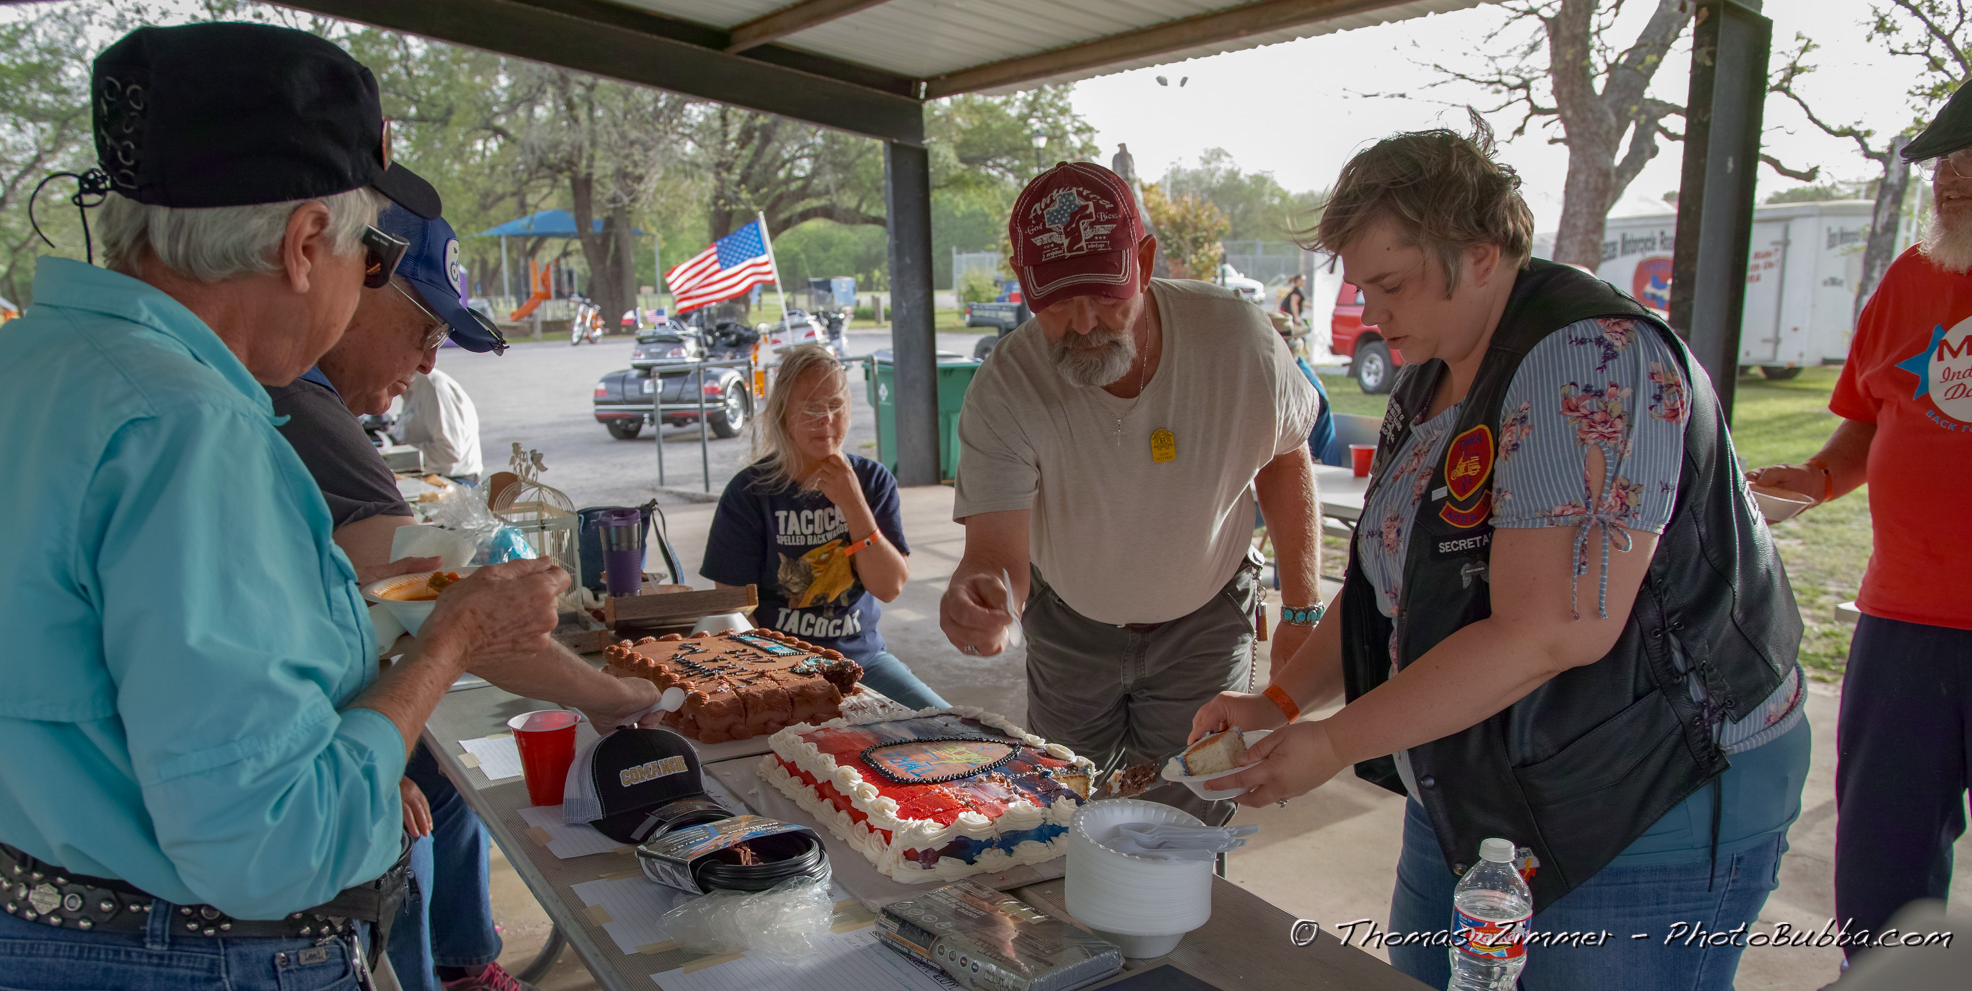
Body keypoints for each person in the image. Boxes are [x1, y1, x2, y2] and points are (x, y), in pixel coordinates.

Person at [0, 23, 567, 987]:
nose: (364, 282)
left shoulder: (31, 363)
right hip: (192, 952)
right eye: (371, 256)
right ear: (306, 244)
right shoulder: (189, 429)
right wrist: (450, 643)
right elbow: (275, 839)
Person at [1190, 126, 1807, 990]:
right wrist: (1280, 701)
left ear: (1481, 254)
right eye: (1364, 288)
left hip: (1644, 797)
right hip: (1480, 789)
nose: (1374, 314)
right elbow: (1384, 582)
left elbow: (1551, 630)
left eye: (1392, 285)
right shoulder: (1437, 365)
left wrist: (1332, 741)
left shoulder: (1595, 358)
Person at [266, 203, 658, 991]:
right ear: (348, 274)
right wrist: (612, 695)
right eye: (424, 330)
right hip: (258, 873)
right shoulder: (300, 407)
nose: (428, 361)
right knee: (408, 803)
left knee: (433, 782)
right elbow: (451, 613)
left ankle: (462, 960)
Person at [941, 161, 1322, 824]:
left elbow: (1285, 457)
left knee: (1190, 820)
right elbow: (996, 554)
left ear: (1143, 262)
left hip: (1205, 624)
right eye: (1057, 302)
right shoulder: (1008, 384)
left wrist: (1302, 610)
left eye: (1103, 293)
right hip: (1068, 627)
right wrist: (985, 596)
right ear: (1023, 283)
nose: (1084, 321)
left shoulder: (1238, 342)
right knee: (1060, 812)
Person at [1748, 66, 1972, 962]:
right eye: (1939, 161)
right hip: (1902, 622)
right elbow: (1869, 418)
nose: (1947, 177)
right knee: (1882, 868)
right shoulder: (1912, 278)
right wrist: (1818, 478)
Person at [702, 344, 948, 711]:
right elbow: (733, 610)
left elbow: (890, 586)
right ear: (783, 412)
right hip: (777, 668)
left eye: (836, 405)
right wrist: (782, 676)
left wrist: (853, 504)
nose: (827, 420)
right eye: (812, 408)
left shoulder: (872, 481)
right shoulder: (750, 492)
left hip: (863, 663)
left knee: (948, 725)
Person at [402, 367, 483, 486]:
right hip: (432, 477)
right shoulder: (412, 386)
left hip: (454, 481)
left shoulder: (434, 388)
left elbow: (449, 452)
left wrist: (396, 458)